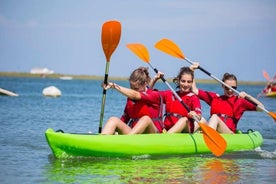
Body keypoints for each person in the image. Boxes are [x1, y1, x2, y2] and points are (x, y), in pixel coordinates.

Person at [190, 63, 264, 134]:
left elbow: (261, 108)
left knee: (215, 117)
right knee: (201, 120)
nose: (230, 90)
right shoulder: (215, 98)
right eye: (227, 88)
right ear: (222, 86)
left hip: (228, 132)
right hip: (213, 129)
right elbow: (194, 90)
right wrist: (192, 70)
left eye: (233, 88)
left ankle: (207, 137)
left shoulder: (240, 101)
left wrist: (248, 96)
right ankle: (186, 137)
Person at [101, 67, 163, 135]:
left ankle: (127, 141)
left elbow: (135, 95)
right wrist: (116, 131)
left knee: (146, 119)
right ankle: (101, 141)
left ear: (145, 84)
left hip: (153, 134)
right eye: (131, 88)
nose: (133, 90)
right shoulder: (131, 99)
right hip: (134, 133)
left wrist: (114, 86)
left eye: (136, 88)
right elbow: (124, 119)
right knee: (113, 120)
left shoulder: (154, 95)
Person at [150, 67, 205, 133]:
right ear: (178, 81)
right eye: (183, 81)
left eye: (189, 82)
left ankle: (165, 139)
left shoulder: (194, 98)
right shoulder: (170, 94)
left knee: (184, 119)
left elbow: (199, 116)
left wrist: (195, 115)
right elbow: (149, 93)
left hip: (185, 131)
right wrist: (155, 79)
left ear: (192, 83)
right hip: (167, 129)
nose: (186, 84)